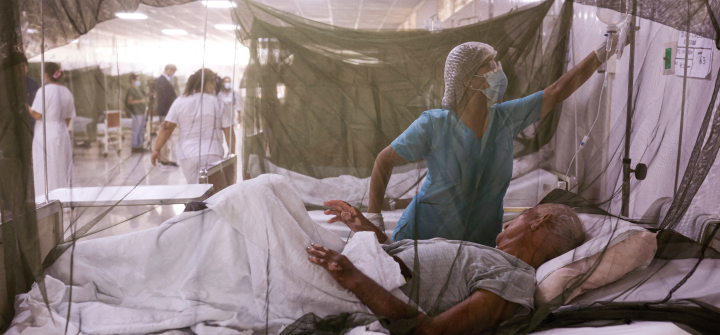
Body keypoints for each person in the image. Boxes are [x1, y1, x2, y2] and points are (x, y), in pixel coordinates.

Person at [9, 174, 584, 334]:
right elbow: (407, 260)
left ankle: (89, 269)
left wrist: (352, 275)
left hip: (355, 283)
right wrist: (366, 230)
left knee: (260, 199)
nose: (510, 228)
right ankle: (93, 265)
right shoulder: (489, 255)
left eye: (525, 220)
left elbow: (429, 331)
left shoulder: (511, 281)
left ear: (539, 225)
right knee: (249, 209)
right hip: (364, 261)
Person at [366, 35, 630, 246]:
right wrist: (374, 217)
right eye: (489, 64)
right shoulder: (434, 124)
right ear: (469, 80)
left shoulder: (505, 118)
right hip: (422, 237)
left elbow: (556, 92)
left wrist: (602, 52)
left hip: (479, 242)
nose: (498, 69)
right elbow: (383, 160)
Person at [151, 69, 234, 183]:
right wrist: (231, 154)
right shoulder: (218, 103)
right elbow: (229, 131)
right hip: (213, 152)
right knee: (213, 191)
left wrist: (157, 149)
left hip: (187, 153)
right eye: (213, 84)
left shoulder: (180, 101)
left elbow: (167, 127)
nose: (214, 88)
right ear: (208, 84)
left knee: (194, 190)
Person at [28, 62, 75, 195]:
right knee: (61, 166)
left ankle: (45, 198)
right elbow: (68, 118)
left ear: (46, 75)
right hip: (62, 132)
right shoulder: (67, 92)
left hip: (45, 133)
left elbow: (37, 115)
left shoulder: (44, 91)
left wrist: (27, 107)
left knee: (45, 167)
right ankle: (63, 198)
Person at [156, 64, 178, 165]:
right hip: (166, 112)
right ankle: (164, 158)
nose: (173, 74)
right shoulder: (162, 81)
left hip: (166, 111)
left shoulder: (163, 80)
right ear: (169, 70)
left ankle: (165, 157)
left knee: (166, 134)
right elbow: (166, 98)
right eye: (173, 72)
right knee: (165, 134)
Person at [126, 73, 147, 153]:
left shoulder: (139, 89)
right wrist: (140, 101)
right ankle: (134, 146)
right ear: (132, 81)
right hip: (136, 112)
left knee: (142, 129)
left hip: (142, 112)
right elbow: (130, 102)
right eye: (137, 80)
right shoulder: (131, 90)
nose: (138, 81)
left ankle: (140, 146)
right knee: (136, 130)